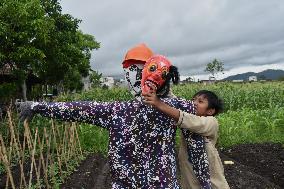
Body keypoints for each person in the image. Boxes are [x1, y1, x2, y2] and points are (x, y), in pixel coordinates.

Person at [16, 53, 196, 189]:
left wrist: (35, 106)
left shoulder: (120, 110)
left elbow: (76, 109)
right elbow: (77, 108)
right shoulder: (174, 107)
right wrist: (36, 106)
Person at [143, 89, 230, 189]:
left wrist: (159, 104)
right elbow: (176, 103)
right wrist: (163, 88)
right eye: (193, 100)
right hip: (190, 183)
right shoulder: (188, 121)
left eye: (200, 101)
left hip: (213, 185)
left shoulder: (211, 122)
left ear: (210, 111)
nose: (194, 103)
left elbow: (187, 119)